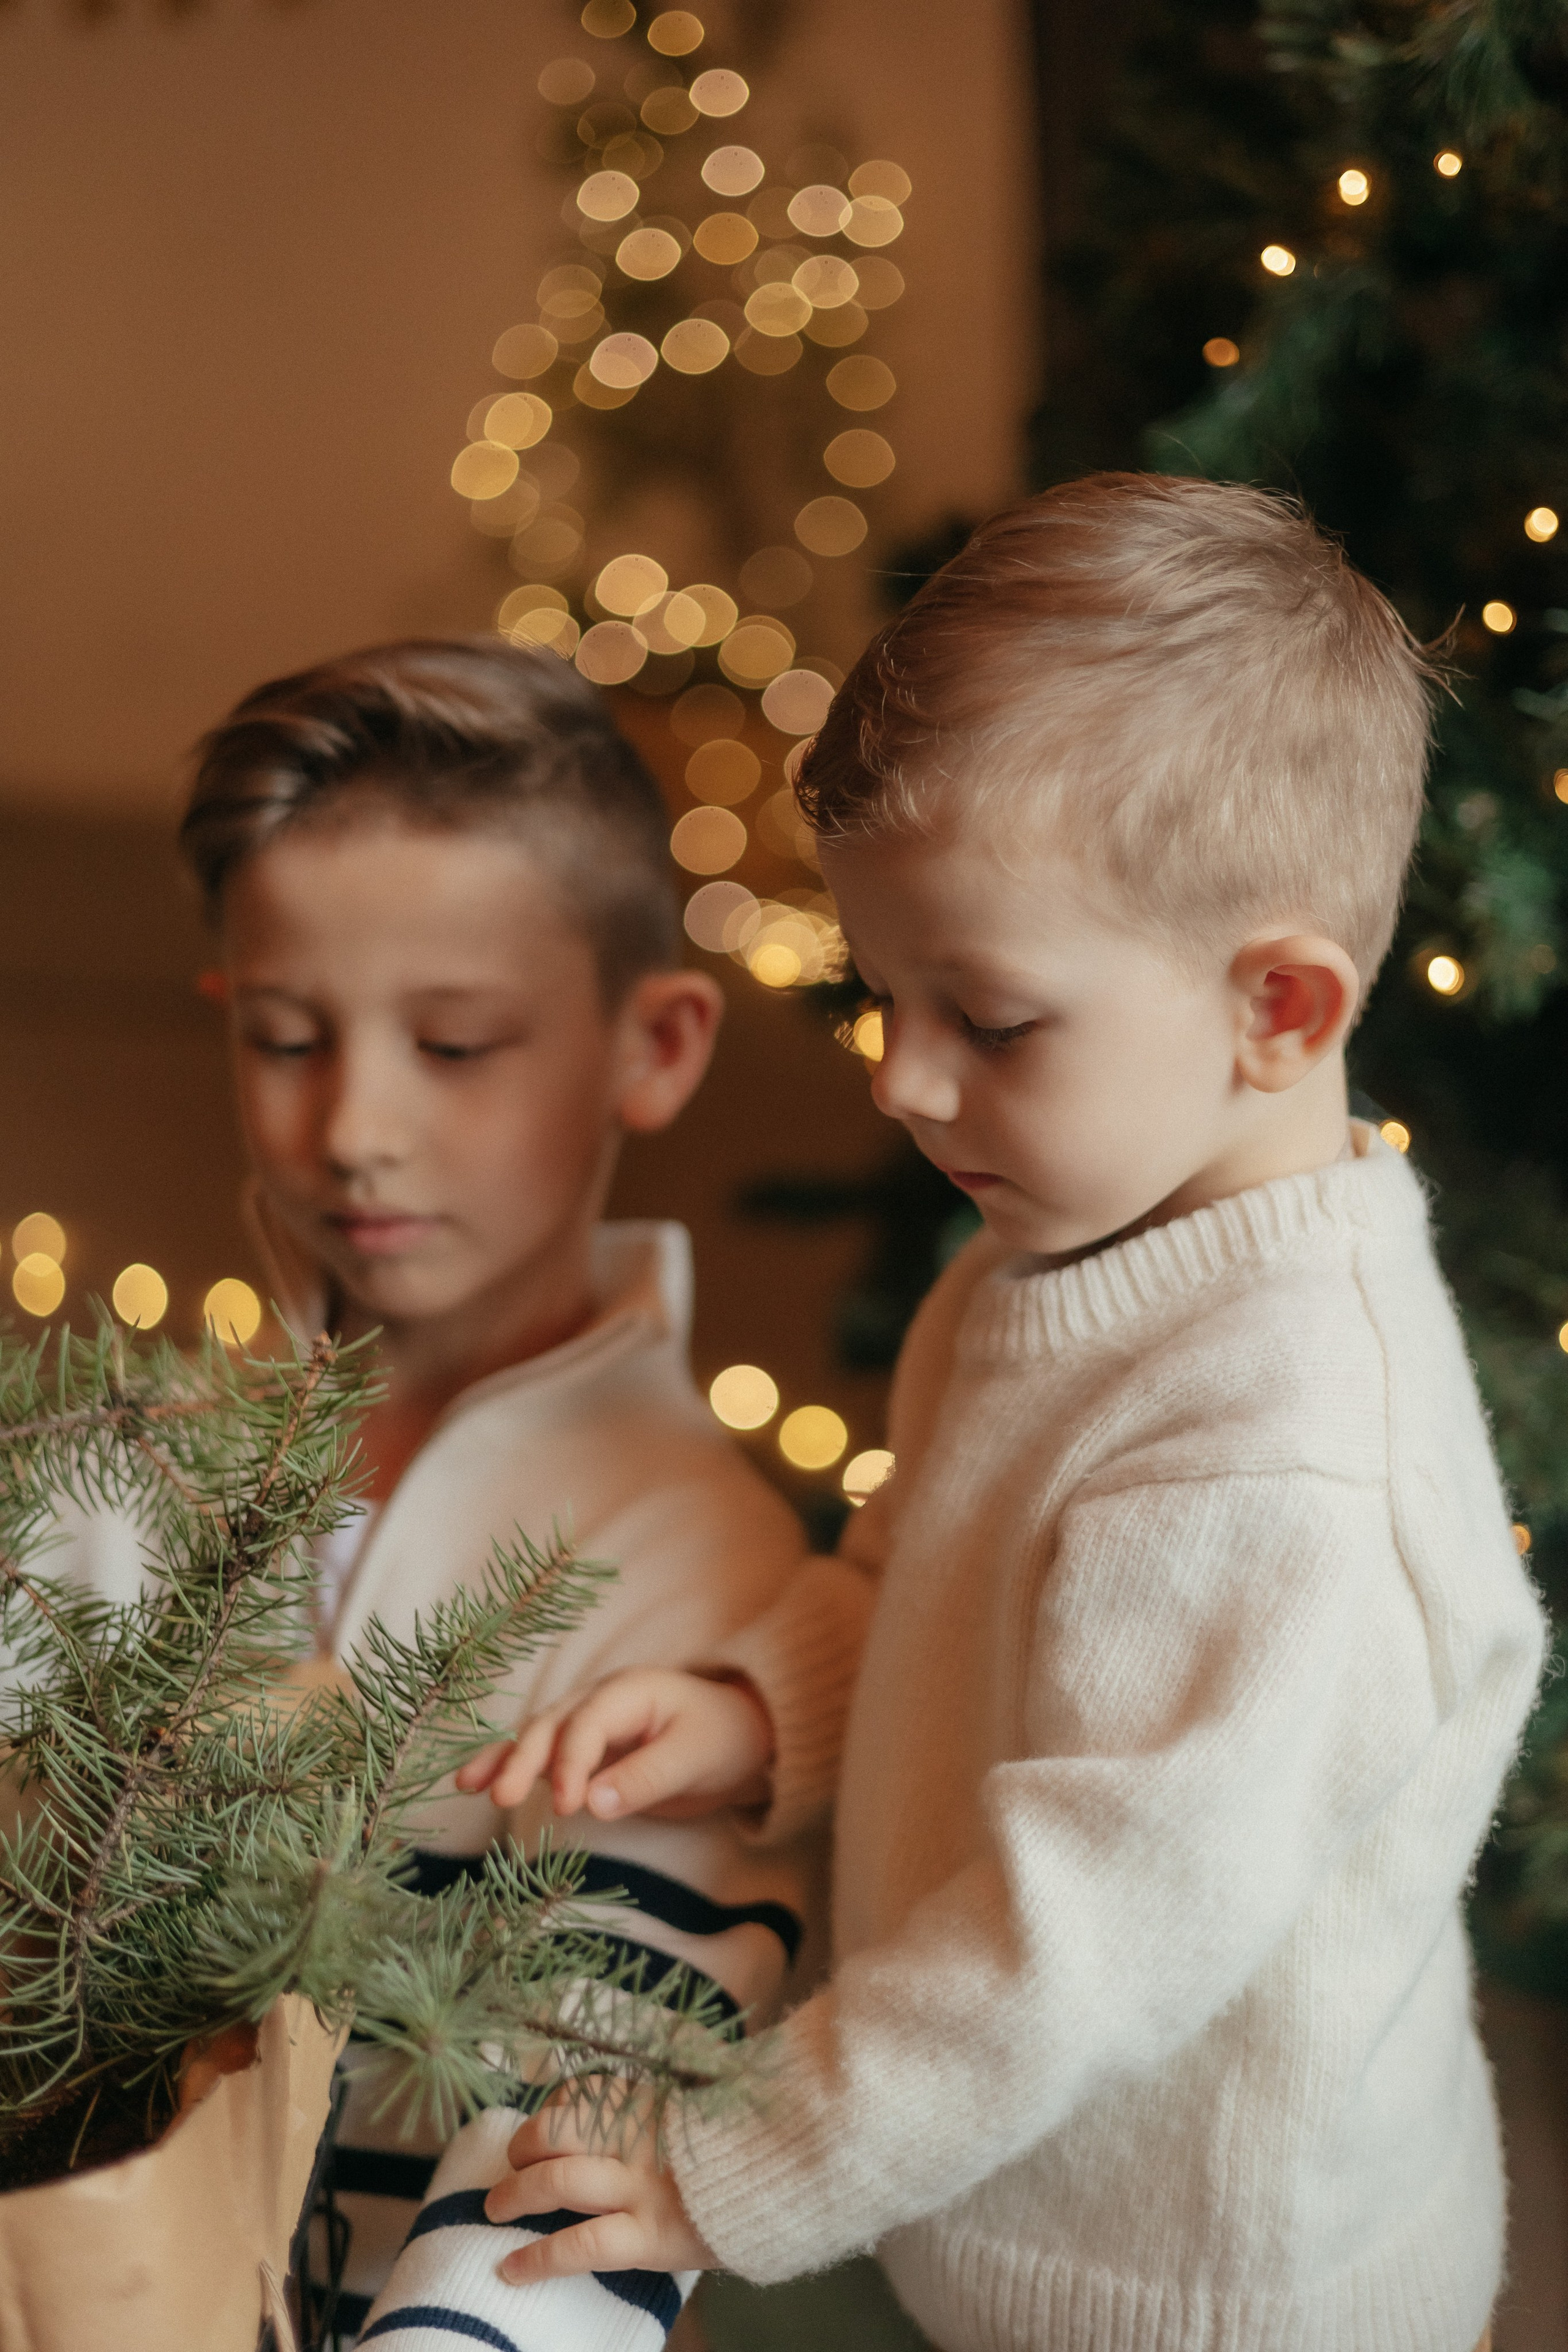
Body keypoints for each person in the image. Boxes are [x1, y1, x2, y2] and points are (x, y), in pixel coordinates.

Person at [458, 478, 1545, 2352]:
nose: (901, 1078)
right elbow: (923, 1581)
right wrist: (760, 1704)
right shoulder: (1044, 1252)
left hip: (1208, 2298)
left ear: (1277, 1007)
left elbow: (1082, 1940)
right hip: (985, 2184)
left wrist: (734, 2161)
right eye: (888, 994)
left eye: (992, 1016)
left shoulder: (1283, 1459)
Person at [175, 638, 813, 2345]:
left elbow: (580, 2163)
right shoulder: (135, 1482)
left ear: (654, 1045)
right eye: (292, 1038)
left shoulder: (708, 1587)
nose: (355, 1128)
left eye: (456, 1045)